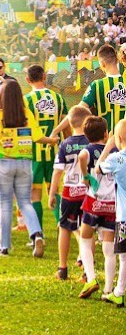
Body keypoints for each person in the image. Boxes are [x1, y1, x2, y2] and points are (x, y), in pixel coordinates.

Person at [0, 80, 57, 257]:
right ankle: (37, 234)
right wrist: (52, 140)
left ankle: (4, 246)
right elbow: (38, 138)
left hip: (3, 164)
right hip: (25, 163)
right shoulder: (26, 114)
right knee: (25, 202)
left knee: (6, 205)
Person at [48, 105, 91, 281]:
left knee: (65, 228)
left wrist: (52, 193)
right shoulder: (91, 143)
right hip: (88, 192)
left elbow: (57, 171)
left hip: (69, 192)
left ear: (70, 124)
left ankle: (62, 268)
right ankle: (87, 271)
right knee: (87, 231)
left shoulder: (65, 144)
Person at [77, 116, 117, 299]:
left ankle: (91, 279)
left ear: (86, 136)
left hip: (94, 201)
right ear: (105, 133)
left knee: (85, 239)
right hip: (112, 203)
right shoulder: (114, 151)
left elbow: (81, 156)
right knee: (109, 249)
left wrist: (85, 175)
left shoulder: (89, 150)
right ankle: (108, 289)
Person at [23, 65, 68, 229]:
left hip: (33, 154)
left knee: (34, 194)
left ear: (27, 80)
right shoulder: (58, 98)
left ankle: (38, 232)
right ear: (44, 77)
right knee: (54, 190)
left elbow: (23, 129)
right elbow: (66, 125)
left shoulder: (26, 100)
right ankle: (62, 227)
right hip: (55, 153)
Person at [53, 44, 126, 137]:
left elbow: (77, 112)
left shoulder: (96, 85)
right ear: (117, 61)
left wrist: (56, 131)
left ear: (102, 64)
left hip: (105, 140)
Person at [95, 118, 126, 306]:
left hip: (124, 216)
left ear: (119, 138)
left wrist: (107, 148)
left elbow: (98, 169)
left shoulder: (116, 159)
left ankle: (119, 292)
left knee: (123, 256)